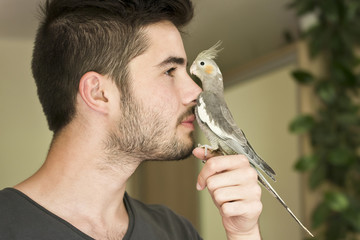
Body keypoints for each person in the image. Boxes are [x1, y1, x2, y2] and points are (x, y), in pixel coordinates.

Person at [0, 0, 262, 239]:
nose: (195, 92)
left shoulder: (176, 231)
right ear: (99, 93)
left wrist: (244, 233)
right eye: (170, 71)